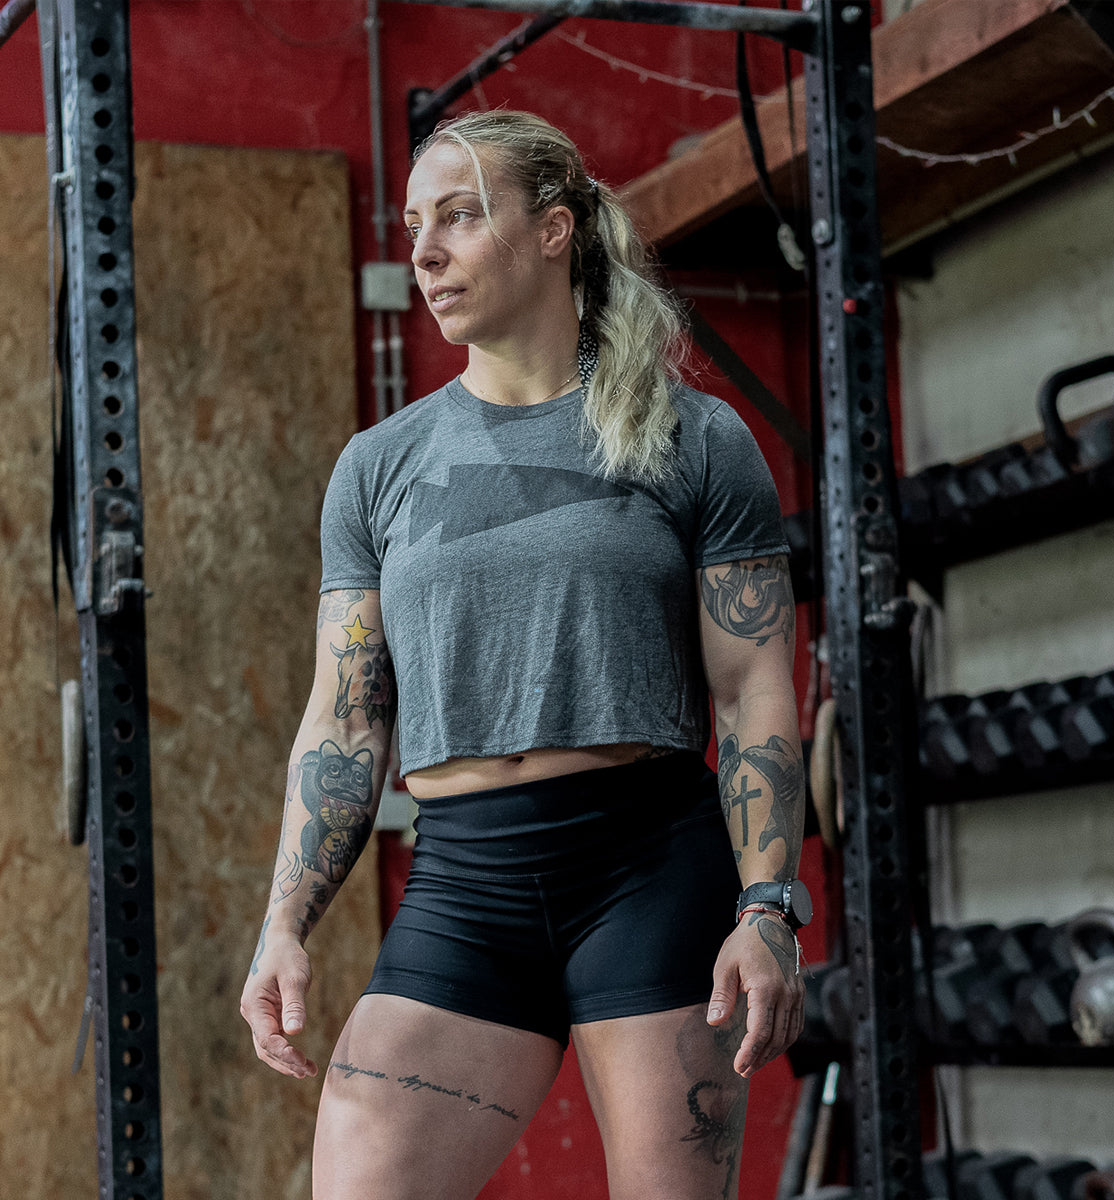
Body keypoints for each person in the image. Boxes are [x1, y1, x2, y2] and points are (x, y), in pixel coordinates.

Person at [240, 109, 807, 1200]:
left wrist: (768, 907)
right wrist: (284, 925)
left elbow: (751, 688)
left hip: (648, 873)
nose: (425, 251)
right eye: (415, 224)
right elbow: (347, 716)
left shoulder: (694, 437)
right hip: (465, 883)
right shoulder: (378, 467)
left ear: (554, 231)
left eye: (459, 215)